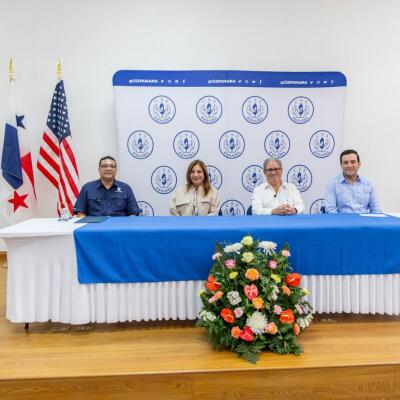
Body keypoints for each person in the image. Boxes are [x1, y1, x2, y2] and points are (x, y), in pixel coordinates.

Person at [74, 156, 140, 217]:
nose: (108, 169)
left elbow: (133, 213)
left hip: (119, 225)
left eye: (112, 166)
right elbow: (80, 213)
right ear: (99, 170)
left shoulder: (126, 188)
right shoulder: (87, 188)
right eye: (104, 166)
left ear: (116, 170)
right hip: (95, 225)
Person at [325, 149, 381, 213]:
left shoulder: (368, 183)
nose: (349, 165)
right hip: (342, 219)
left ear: (359, 164)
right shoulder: (332, 184)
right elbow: (330, 210)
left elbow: (376, 209)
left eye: (353, 162)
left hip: (364, 219)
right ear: (341, 165)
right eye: (345, 162)